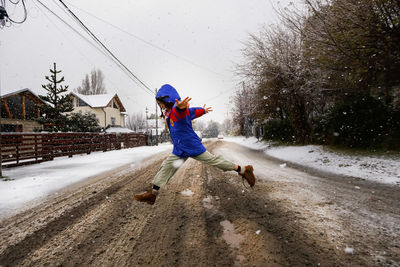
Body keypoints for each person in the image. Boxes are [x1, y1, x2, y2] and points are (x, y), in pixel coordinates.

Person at [134, 84, 255, 205]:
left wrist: (181, 106)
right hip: (180, 149)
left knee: (215, 161)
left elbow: (184, 111)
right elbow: (193, 112)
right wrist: (203, 110)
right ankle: (153, 194)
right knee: (166, 166)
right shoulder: (169, 114)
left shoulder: (177, 110)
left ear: (169, 100)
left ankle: (244, 170)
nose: (160, 106)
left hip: (192, 147)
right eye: (159, 105)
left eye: (161, 103)